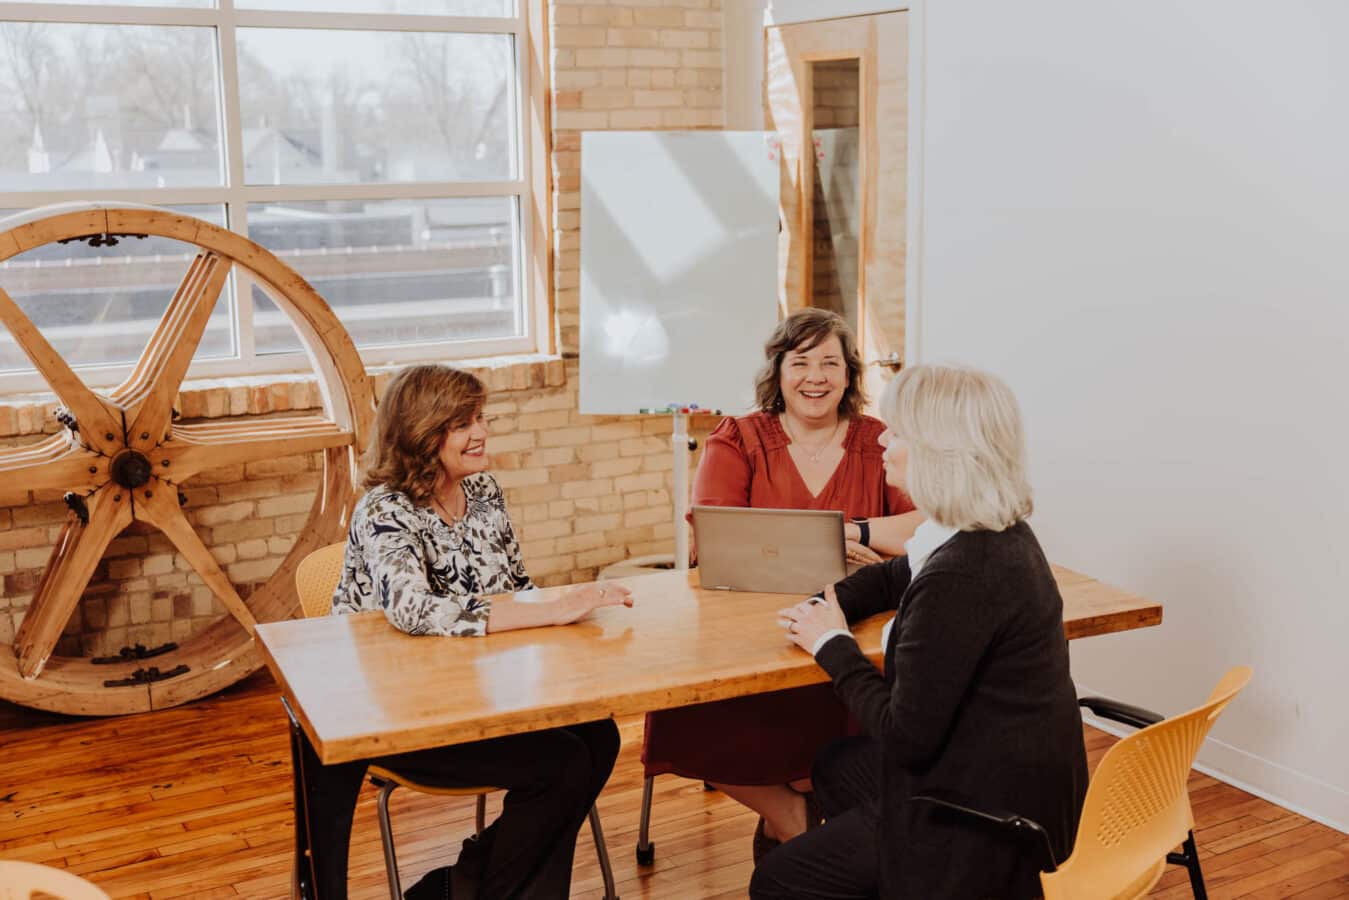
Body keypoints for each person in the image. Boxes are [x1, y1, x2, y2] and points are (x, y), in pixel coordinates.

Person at [753, 364, 1089, 899]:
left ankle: (918, 871)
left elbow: (904, 737)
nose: (882, 440)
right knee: (835, 764)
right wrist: (827, 603)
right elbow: (895, 574)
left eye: (898, 431)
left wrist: (831, 644)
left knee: (777, 881)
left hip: (992, 822)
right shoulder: (990, 532)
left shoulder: (963, 576)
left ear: (939, 452)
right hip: (1011, 777)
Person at [315, 364, 633, 900]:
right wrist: (551, 612)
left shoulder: (483, 490)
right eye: (462, 424)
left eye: (481, 418)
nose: (481, 432)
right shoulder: (384, 509)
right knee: (562, 764)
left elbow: (517, 588)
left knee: (599, 736)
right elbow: (412, 609)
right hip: (401, 715)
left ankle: (460, 886)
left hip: (482, 695)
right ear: (422, 432)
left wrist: (570, 605)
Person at [643, 308, 924, 860]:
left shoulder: (880, 440)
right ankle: (790, 816)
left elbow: (924, 525)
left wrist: (851, 530)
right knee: (695, 710)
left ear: (849, 374)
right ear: (778, 370)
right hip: (751, 627)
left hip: (854, 626)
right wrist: (838, 550)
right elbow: (716, 537)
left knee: (862, 704)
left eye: (830, 363)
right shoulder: (737, 437)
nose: (815, 377)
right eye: (801, 362)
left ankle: (802, 835)